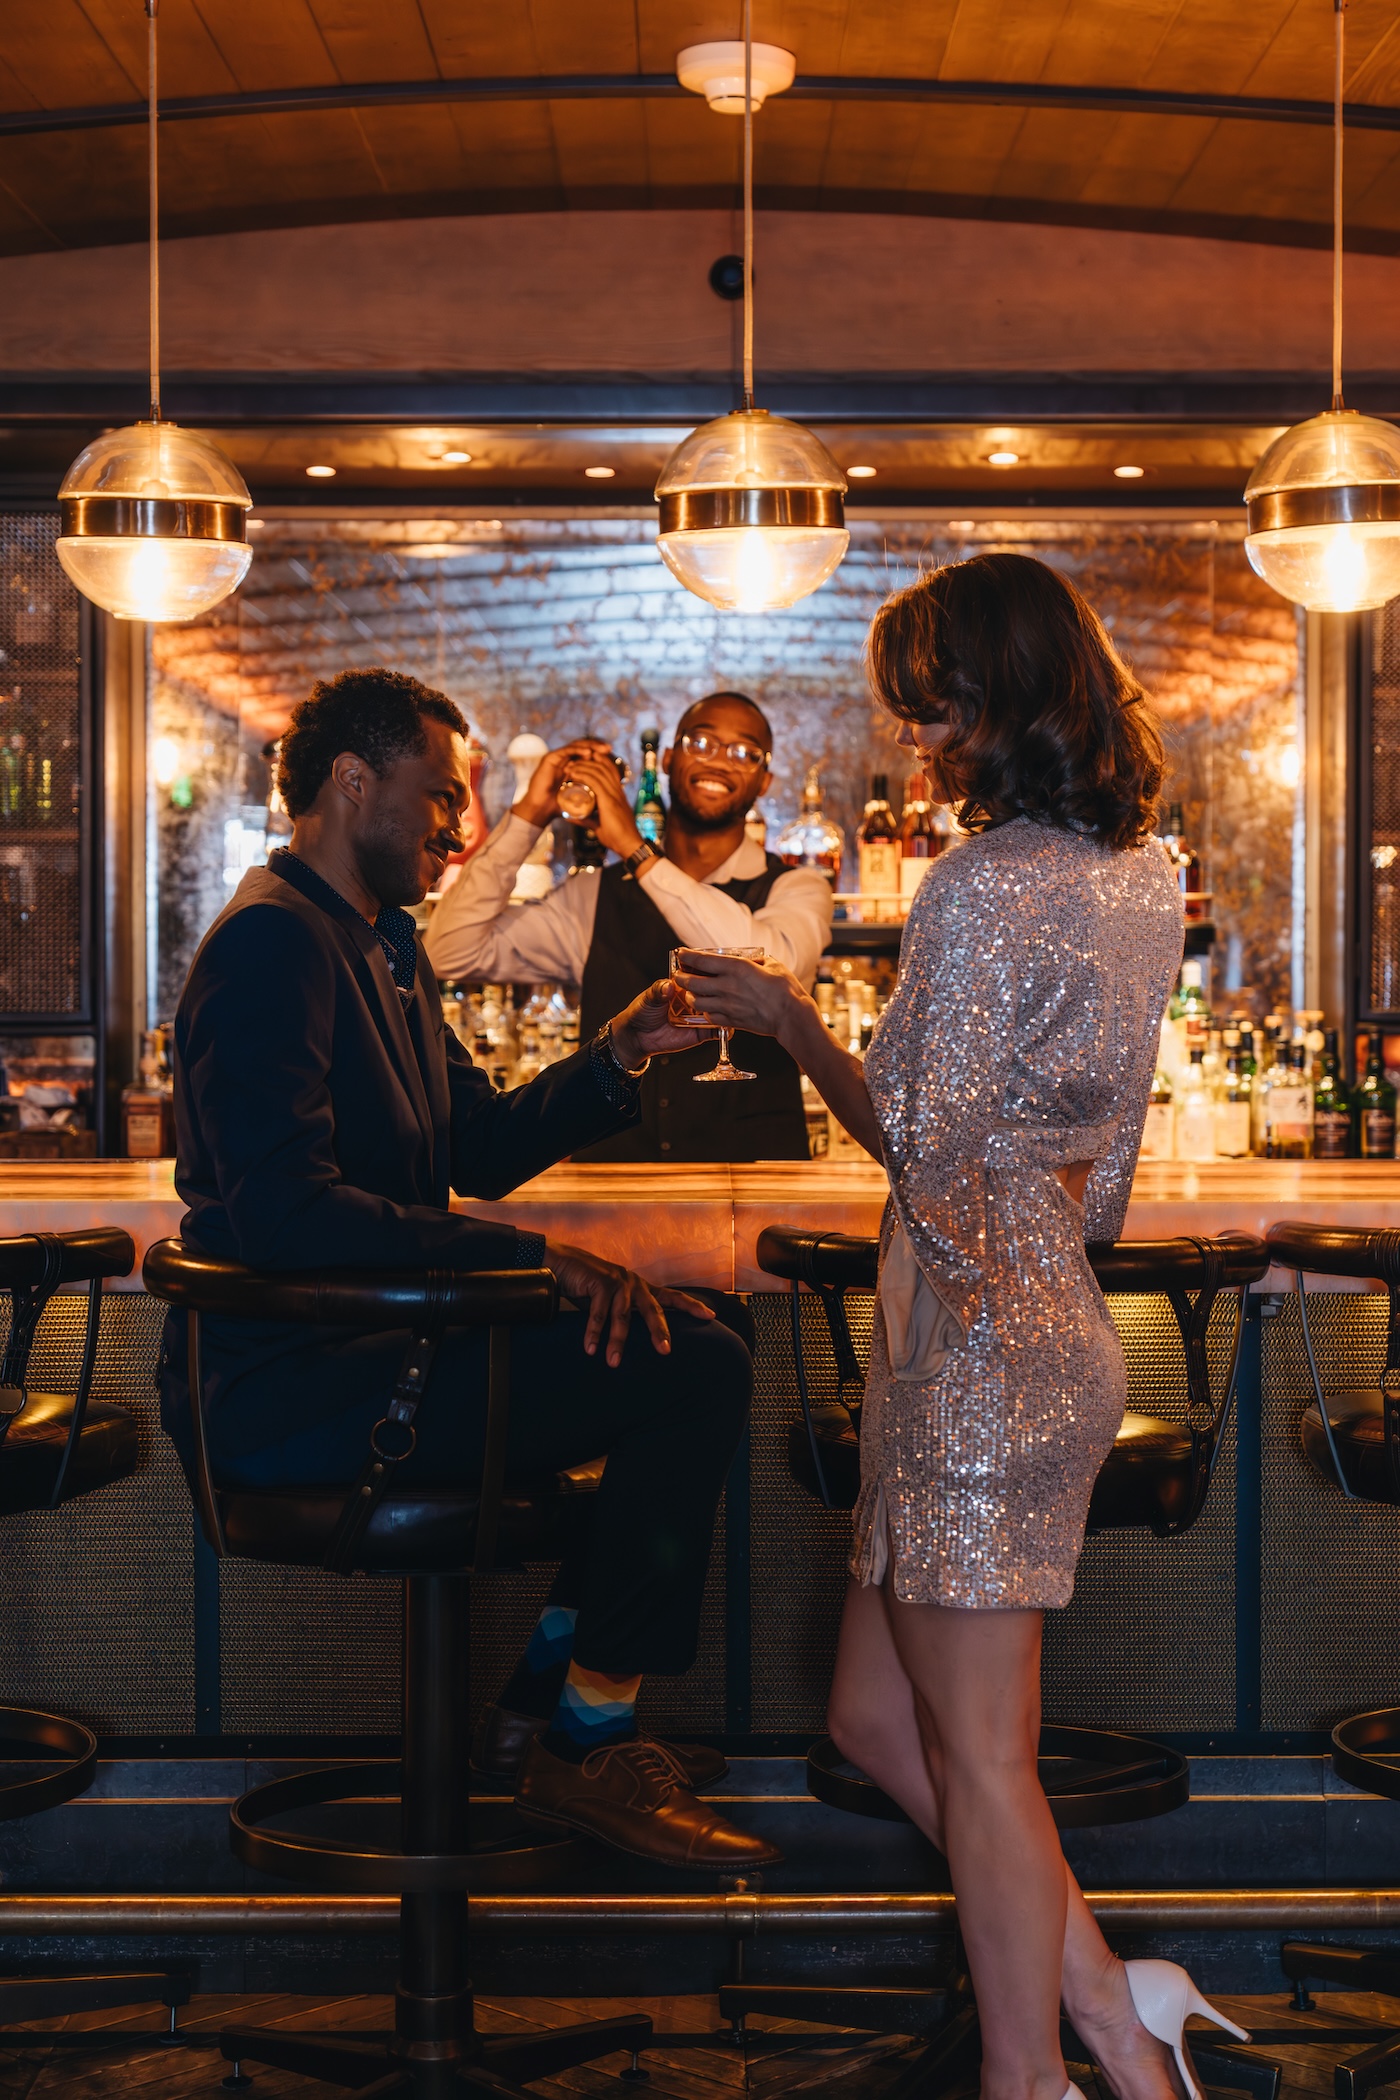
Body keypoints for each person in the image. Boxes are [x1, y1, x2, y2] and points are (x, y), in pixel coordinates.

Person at [668, 556, 1249, 2100]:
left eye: (938, 711)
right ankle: (1122, 2007)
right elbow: (1083, 1168)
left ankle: (1036, 2074)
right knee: (876, 1716)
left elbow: (926, 1146)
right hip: (1034, 1317)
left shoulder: (985, 885)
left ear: (1002, 701)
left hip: (977, 1350)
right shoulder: (1142, 879)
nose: (922, 744)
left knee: (984, 1762)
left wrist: (792, 1025)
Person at [160, 666, 779, 1875]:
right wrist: (543, 1268)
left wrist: (623, 1051)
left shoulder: (374, 946)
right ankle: (585, 1735)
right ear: (353, 782)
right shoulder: (271, 949)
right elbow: (287, 1216)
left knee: (704, 1333)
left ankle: (538, 1709)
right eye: (440, 796)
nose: (458, 824)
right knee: (690, 1362)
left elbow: (474, 1146)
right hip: (303, 1397)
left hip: (378, 1358)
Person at [423, 691, 833, 1161]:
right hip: (614, 1191)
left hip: (761, 1190)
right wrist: (530, 814)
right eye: (701, 743)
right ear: (671, 759)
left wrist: (636, 850)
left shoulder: (799, 887)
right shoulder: (595, 895)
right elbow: (451, 949)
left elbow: (768, 964)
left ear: (765, 781)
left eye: (743, 752)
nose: (719, 761)